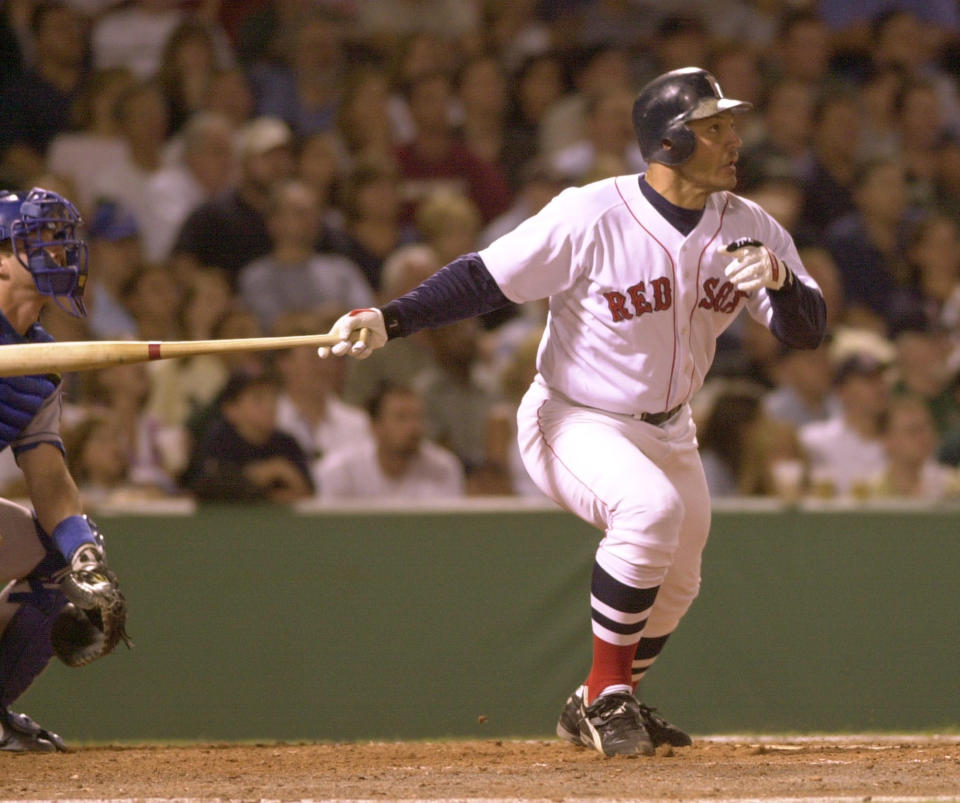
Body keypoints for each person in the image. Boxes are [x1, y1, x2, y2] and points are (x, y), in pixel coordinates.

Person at [319, 67, 827, 757]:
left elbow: (806, 331)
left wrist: (781, 280)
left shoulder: (750, 227)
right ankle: (610, 695)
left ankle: (594, 697)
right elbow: (485, 277)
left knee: (678, 579)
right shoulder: (592, 212)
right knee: (648, 513)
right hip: (574, 417)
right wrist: (390, 318)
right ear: (672, 143)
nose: (735, 138)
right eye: (715, 129)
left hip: (671, 425)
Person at [0, 186, 129, 750]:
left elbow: (49, 480)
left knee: (60, 555)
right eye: (42, 242)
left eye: (61, 241)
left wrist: (85, 554)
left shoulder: (42, 362)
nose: (60, 254)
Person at [316, 382, 464, 501]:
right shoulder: (340, 471)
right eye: (401, 418)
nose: (414, 427)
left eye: (417, 417)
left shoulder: (444, 468)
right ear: (375, 426)